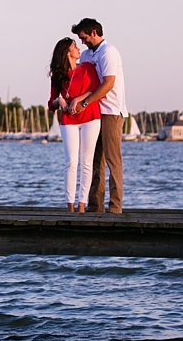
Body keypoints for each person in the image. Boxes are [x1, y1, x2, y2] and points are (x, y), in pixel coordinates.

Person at [70, 18, 126, 213]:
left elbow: (108, 83)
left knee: (112, 160)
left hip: (111, 111)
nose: (82, 42)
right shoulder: (86, 55)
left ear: (94, 32)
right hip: (94, 113)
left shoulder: (108, 52)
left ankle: (115, 207)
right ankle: (95, 206)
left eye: (84, 37)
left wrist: (85, 102)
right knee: (95, 160)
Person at [47, 38, 101, 213]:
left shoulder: (87, 68)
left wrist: (78, 99)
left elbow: (95, 88)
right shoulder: (58, 76)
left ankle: (82, 205)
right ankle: (69, 205)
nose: (79, 49)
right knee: (71, 161)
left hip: (90, 117)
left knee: (86, 162)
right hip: (68, 120)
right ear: (67, 52)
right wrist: (59, 100)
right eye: (74, 47)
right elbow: (50, 104)